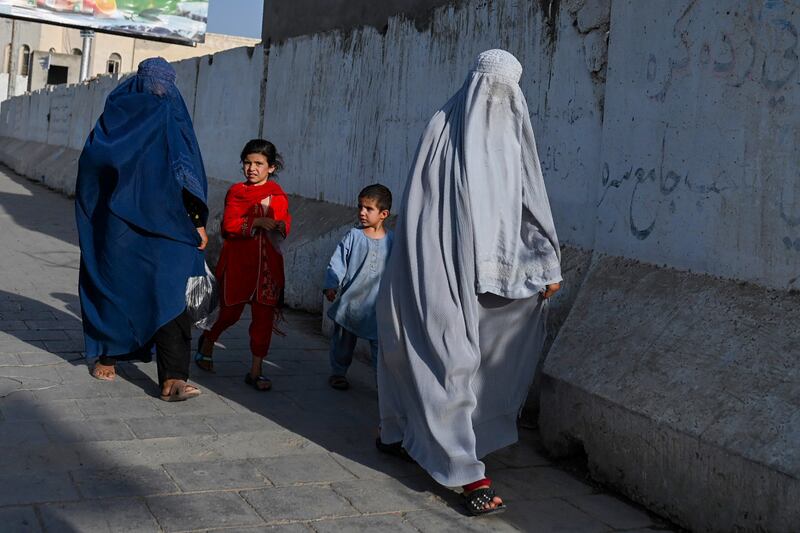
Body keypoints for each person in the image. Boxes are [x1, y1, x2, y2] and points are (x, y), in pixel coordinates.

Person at [376, 49, 562, 516]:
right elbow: (423, 209)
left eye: (506, 91)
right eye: (490, 87)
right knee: (445, 356)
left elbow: (531, 199)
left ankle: (403, 433)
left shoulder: (514, 135)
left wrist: (547, 264)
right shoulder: (442, 129)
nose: (496, 99)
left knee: (480, 359)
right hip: (435, 264)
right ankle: (466, 473)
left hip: (493, 270)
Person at [76, 57, 208, 402]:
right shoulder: (118, 115)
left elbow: (186, 167)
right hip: (120, 223)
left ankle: (173, 377)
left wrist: (197, 221)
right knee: (118, 285)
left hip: (170, 224)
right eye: (153, 81)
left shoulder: (171, 113)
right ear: (140, 82)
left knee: (171, 294)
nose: (159, 90)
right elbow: (92, 162)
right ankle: (108, 353)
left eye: (165, 83)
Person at [194, 139, 291, 391]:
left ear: (271, 167)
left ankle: (256, 370)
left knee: (263, 318)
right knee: (229, 314)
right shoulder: (237, 191)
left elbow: (284, 222)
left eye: (258, 163)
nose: (252, 168)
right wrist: (257, 223)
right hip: (238, 264)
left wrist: (280, 226)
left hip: (268, 268)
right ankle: (208, 340)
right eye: (247, 163)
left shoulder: (278, 195)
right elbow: (229, 226)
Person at [323, 184, 394, 391]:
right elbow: (337, 262)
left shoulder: (393, 241)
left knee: (380, 350)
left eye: (368, 209)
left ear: (383, 214)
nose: (362, 212)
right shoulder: (353, 236)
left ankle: (383, 385)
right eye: (360, 207)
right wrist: (331, 284)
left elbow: (399, 271)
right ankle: (338, 372)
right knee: (343, 344)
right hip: (351, 304)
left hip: (378, 307)